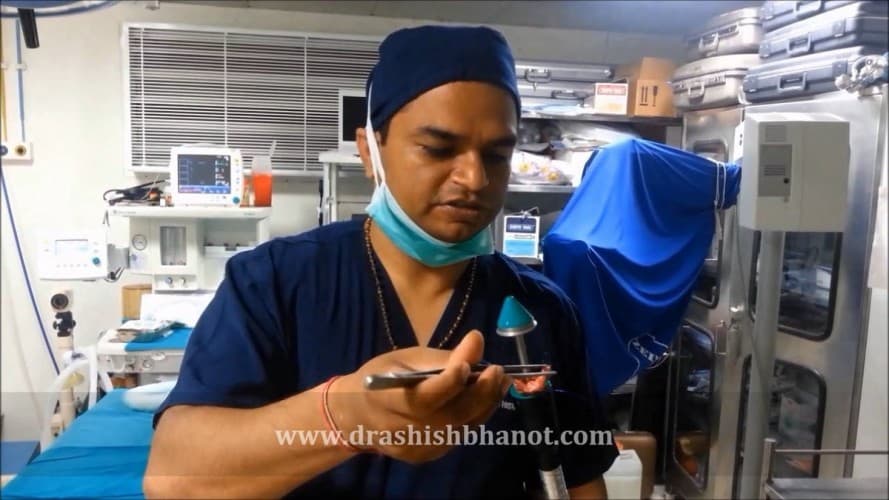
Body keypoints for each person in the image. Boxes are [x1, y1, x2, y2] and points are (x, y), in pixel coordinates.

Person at [143, 24, 618, 499]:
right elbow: (174, 481)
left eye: (496, 155)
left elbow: (579, 479)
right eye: (438, 149)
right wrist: (345, 415)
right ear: (370, 151)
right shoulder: (274, 284)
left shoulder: (542, 311)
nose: (474, 178)